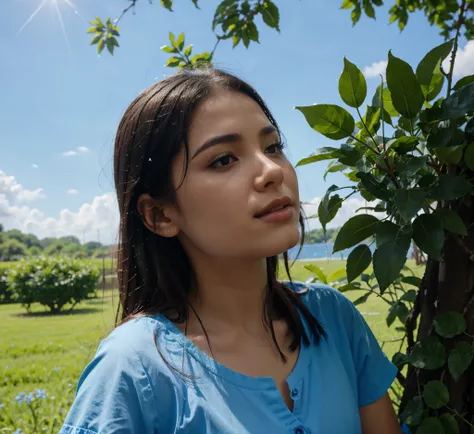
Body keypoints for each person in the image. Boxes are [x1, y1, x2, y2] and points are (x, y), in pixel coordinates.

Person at [59, 68, 402, 434]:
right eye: (223, 160)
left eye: (272, 147)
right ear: (160, 215)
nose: (272, 170)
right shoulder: (134, 369)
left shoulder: (333, 317)